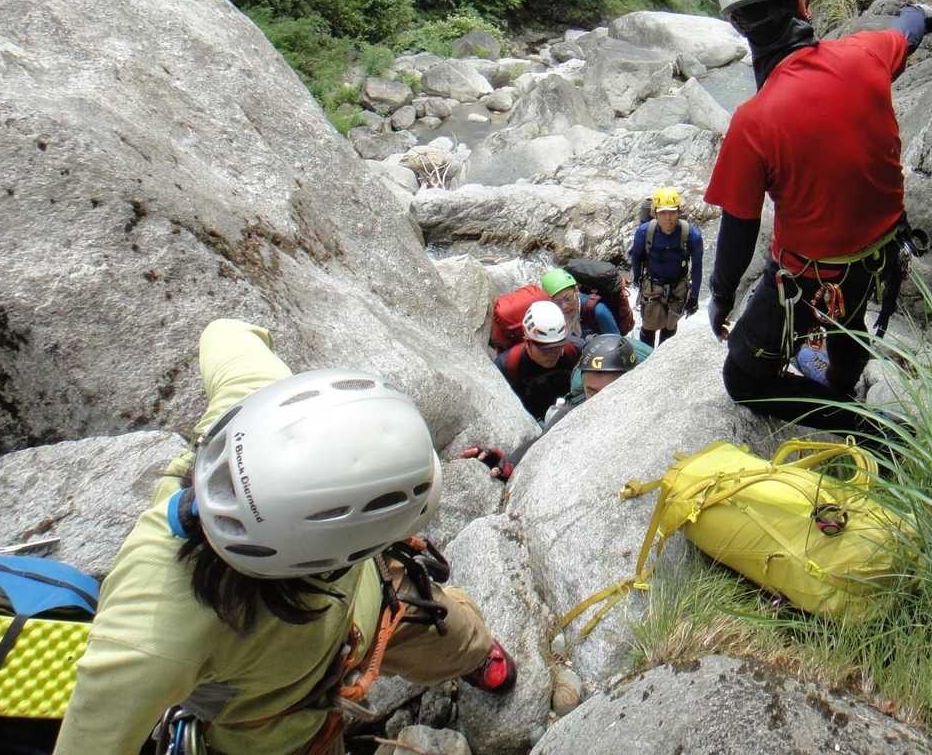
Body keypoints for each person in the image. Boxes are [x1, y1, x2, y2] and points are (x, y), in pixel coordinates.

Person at [54, 319, 514, 755]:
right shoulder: (151, 636)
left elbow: (225, 332)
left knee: (450, 629)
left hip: (368, 594)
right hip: (277, 725)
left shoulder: (260, 418)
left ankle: (470, 654)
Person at [704, 0, 932, 436]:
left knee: (743, 378)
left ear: (737, 25)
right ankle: (841, 382)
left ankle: (871, 429)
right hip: (878, 254)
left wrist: (720, 297)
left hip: (807, 279)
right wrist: (921, 11)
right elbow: (909, 31)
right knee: (849, 321)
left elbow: (739, 229)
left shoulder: (754, 122)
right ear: (803, 2)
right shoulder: (867, 54)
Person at [464, 333, 649, 480]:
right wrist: (505, 464)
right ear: (583, 384)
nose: (597, 401)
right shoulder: (575, 406)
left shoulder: (648, 404)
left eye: (608, 392)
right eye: (592, 391)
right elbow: (542, 442)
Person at [630, 186, 704, 347]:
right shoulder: (644, 232)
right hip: (653, 286)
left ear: (678, 212)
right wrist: (637, 279)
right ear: (655, 213)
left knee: (670, 328)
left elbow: (697, 268)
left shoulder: (692, 236)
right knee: (648, 328)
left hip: (678, 288)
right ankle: (646, 358)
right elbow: (636, 257)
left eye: (672, 212)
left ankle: (662, 358)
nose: (668, 217)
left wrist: (694, 297)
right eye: (663, 212)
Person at [493, 298, 582, 419]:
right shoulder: (508, 365)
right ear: (527, 343)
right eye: (544, 349)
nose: (552, 354)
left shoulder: (574, 349)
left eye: (557, 347)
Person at [541, 267, 620, 339]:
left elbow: (618, 342)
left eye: (568, 298)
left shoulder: (598, 311)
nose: (564, 306)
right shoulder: (552, 316)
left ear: (576, 290)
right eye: (557, 302)